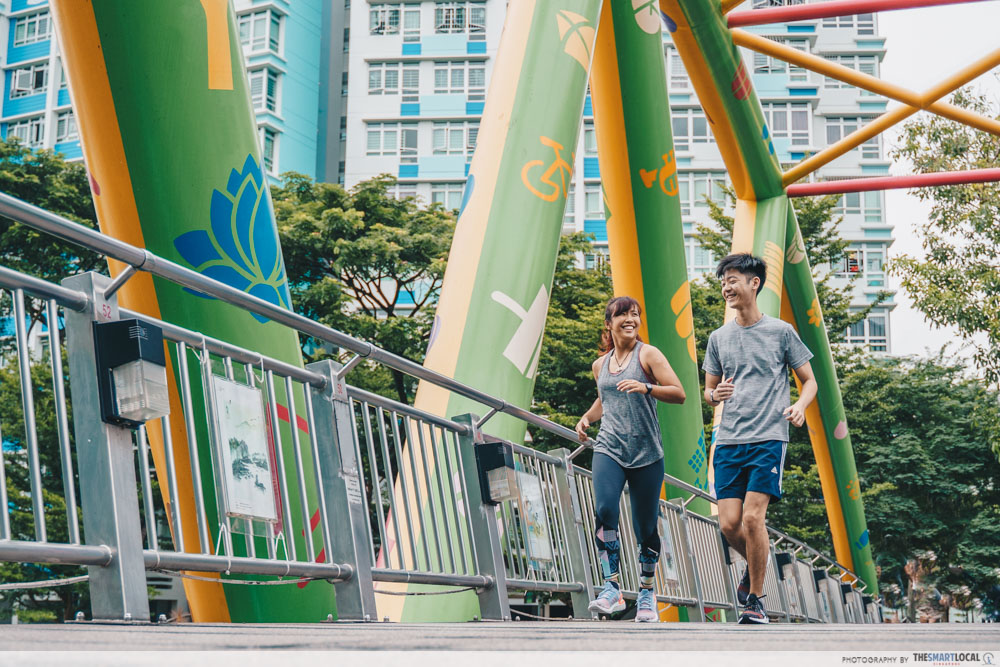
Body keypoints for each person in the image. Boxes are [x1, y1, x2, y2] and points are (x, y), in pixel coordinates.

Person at [702, 253, 817, 624]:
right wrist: (715, 394)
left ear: (754, 283)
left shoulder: (781, 332)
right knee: (728, 524)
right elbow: (708, 391)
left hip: (768, 437)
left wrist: (800, 405)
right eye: (723, 282)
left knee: (753, 519)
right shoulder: (718, 338)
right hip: (729, 440)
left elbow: (810, 381)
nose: (726, 287)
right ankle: (755, 567)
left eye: (733, 280)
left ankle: (755, 599)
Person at [575, 296, 686, 623]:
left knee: (645, 527)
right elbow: (604, 399)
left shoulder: (648, 355)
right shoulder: (600, 365)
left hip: (646, 453)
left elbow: (678, 392)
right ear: (609, 323)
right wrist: (587, 418)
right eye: (622, 314)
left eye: (635, 314)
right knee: (605, 510)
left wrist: (646, 387)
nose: (630, 319)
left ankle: (647, 592)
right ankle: (611, 588)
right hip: (609, 447)